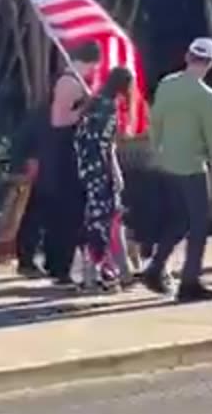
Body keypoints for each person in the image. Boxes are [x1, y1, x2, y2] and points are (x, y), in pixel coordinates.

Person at [140, 37, 212, 302]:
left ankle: (155, 266)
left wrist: (159, 149)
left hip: (168, 162)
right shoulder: (206, 96)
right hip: (192, 165)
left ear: (187, 57)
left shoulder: (167, 85)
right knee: (198, 225)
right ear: (209, 63)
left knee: (179, 220)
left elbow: (156, 121)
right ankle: (190, 282)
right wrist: (210, 156)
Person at [37, 40, 102, 285]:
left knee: (64, 212)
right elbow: (59, 119)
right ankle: (60, 266)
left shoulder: (74, 81)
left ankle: (56, 263)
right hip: (63, 152)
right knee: (67, 212)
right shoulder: (69, 83)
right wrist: (86, 108)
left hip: (69, 152)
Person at [74, 66, 135, 291]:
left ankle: (100, 274)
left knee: (96, 222)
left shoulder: (92, 105)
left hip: (87, 171)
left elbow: (83, 140)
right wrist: (115, 174)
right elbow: (106, 147)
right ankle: (99, 275)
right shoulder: (108, 109)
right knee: (103, 224)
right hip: (101, 173)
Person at [9, 101, 50, 278]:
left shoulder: (41, 113)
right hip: (33, 171)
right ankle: (26, 260)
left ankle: (27, 259)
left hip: (33, 168)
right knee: (32, 216)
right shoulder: (45, 116)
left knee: (32, 216)